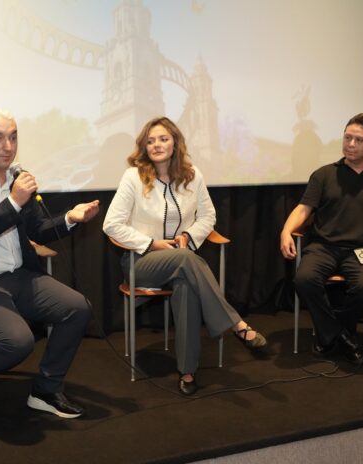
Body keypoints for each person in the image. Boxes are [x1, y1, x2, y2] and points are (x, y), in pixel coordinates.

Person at [0, 108, 100, 429]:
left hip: (20, 276)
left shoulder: (17, 178)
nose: (8, 146)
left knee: (78, 308)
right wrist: (12, 202)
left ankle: (46, 390)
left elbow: (38, 230)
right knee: (18, 341)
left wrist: (71, 218)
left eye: (13, 138)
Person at [103, 116, 267, 396]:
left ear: (175, 142)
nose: (157, 145)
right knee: (186, 260)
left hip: (182, 264)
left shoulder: (193, 175)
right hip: (141, 262)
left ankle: (187, 372)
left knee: (186, 284)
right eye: (150, 141)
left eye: (163, 139)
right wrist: (151, 244)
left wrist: (189, 236)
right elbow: (111, 225)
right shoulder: (133, 177)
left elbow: (208, 216)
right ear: (144, 147)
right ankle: (236, 324)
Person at [280, 113, 363, 365]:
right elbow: (303, 210)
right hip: (323, 247)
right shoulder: (324, 174)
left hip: (360, 250)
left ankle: (329, 335)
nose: (351, 144)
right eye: (347, 137)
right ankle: (342, 336)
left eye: (359, 140)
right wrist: (285, 231)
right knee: (304, 279)